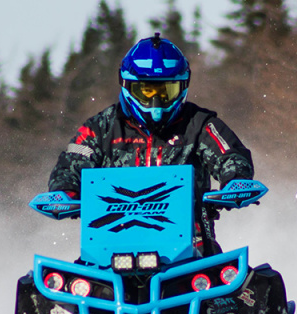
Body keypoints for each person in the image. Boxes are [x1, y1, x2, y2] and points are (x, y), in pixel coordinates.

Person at [47, 33, 254, 256]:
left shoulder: (199, 124)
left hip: (191, 250)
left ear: (182, 86)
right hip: (108, 249)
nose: (156, 105)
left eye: (166, 92)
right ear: (127, 84)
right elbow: (70, 165)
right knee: (46, 286)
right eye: (146, 91)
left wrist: (235, 181)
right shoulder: (101, 128)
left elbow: (231, 155)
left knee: (253, 284)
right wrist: (64, 193)